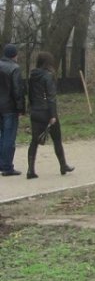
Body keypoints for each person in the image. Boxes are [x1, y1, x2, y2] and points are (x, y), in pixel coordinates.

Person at [27, 51, 74, 179]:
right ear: (48, 63)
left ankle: (30, 170)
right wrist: (53, 115)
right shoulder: (48, 76)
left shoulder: (32, 75)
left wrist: (30, 108)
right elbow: (51, 97)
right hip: (46, 112)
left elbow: (30, 94)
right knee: (57, 139)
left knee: (34, 141)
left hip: (35, 111)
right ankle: (63, 165)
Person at [0, 43, 26, 176]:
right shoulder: (14, 68)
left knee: (2, 135)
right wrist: (21, 108)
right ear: (14, 55)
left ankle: (2, 162)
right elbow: (17, 90)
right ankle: (7, 166)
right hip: (9, 107)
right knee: (9, 136)